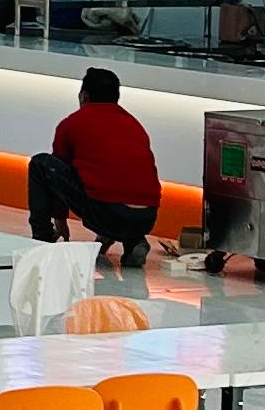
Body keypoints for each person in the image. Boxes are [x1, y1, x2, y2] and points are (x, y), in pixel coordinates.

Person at [28, 64, 163, 262]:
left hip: (106, 212)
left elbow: (60, 170)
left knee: (40, 163)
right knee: (112, 192)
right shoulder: (134, 124)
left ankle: (43, 236)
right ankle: (134, 241)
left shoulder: (72, 123)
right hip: (147, 217)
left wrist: (60, 217)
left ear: (84, 96)